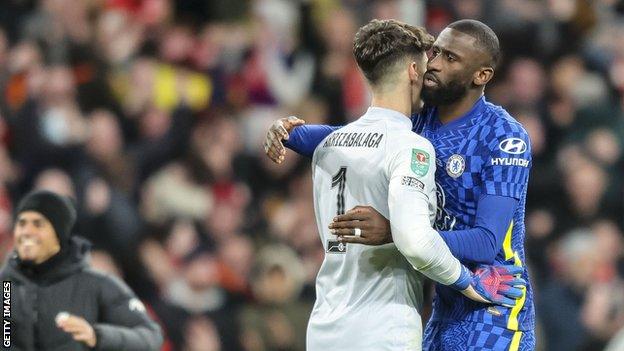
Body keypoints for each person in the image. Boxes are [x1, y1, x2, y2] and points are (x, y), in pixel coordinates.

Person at [265, 19, 535, 350]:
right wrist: (287, 132)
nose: (433, 64)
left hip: (493, 304)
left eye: (450, 58)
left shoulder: (504, 136)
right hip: (443, 303)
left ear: (481, 76)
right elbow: (347, 137)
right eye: (435, 51)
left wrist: (395, 232)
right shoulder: (418, 123)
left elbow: (486, 243)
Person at [0, 190, 163, 351]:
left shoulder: (97, 284)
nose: (27, 232)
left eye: (38, 224)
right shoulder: (7, 286)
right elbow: (6, 340)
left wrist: (97, 336)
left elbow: (150, 337)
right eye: (22, 223)